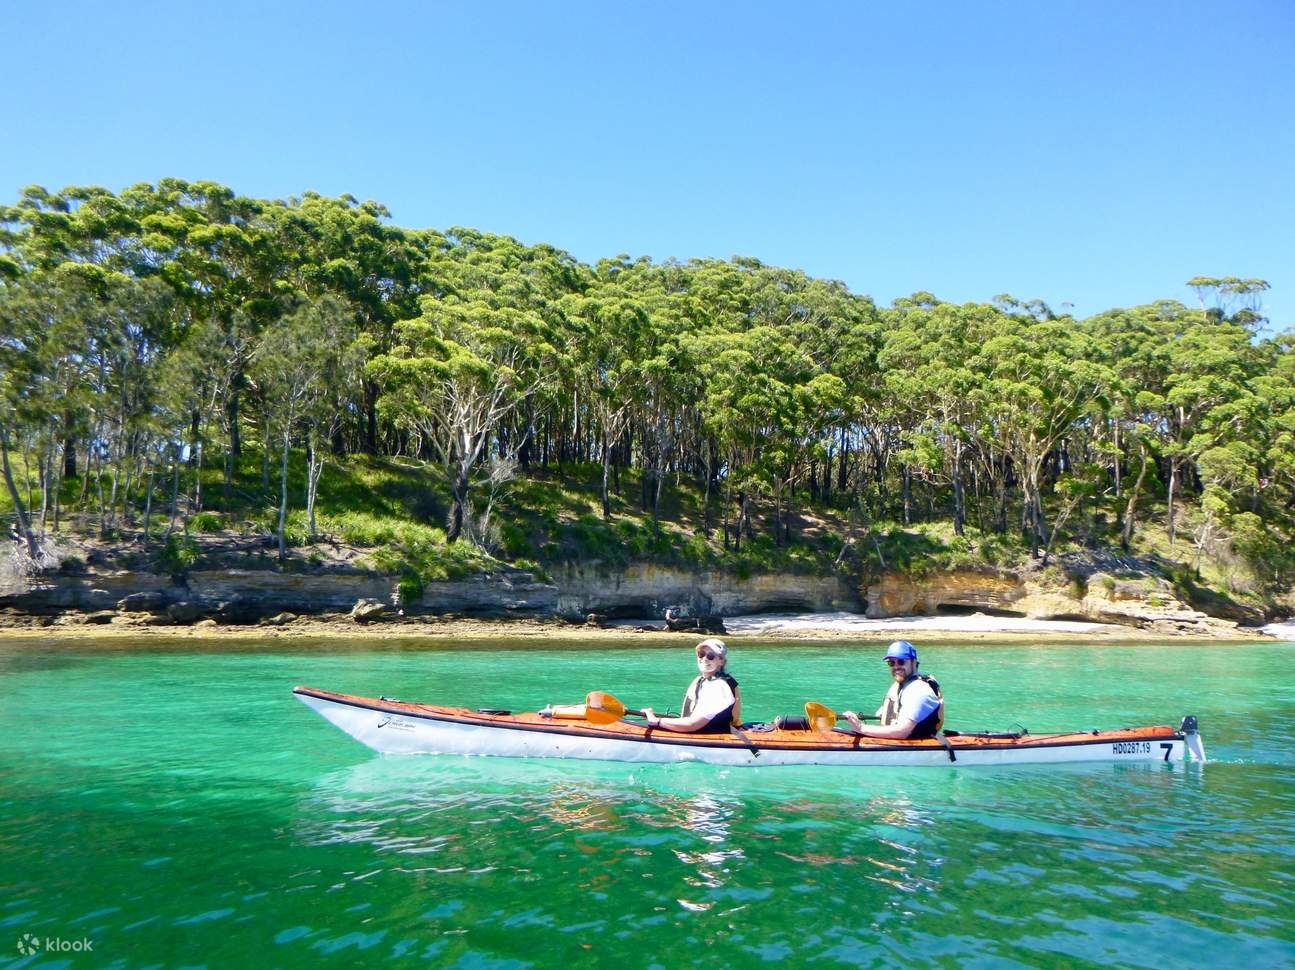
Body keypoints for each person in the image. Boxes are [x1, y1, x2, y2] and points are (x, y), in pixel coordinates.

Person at [843, 640, 943, 740]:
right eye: (891, 663)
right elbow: (881, 714)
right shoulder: (901, 685)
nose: (896, 666)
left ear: (913, 662)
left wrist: (861, 728)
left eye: (901, 661)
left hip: (914, 745)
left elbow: (902, 732)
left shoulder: (919, 690)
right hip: (896, 744)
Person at [641, 638, 741, 733]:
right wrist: (658, 718)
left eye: (710, 656)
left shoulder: (720, 687)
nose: (704, 659)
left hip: (709, 738)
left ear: (721, 660)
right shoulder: (700, 681)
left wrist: (656, 720)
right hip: (699, 733)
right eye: (701, 654)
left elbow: (692, 724)